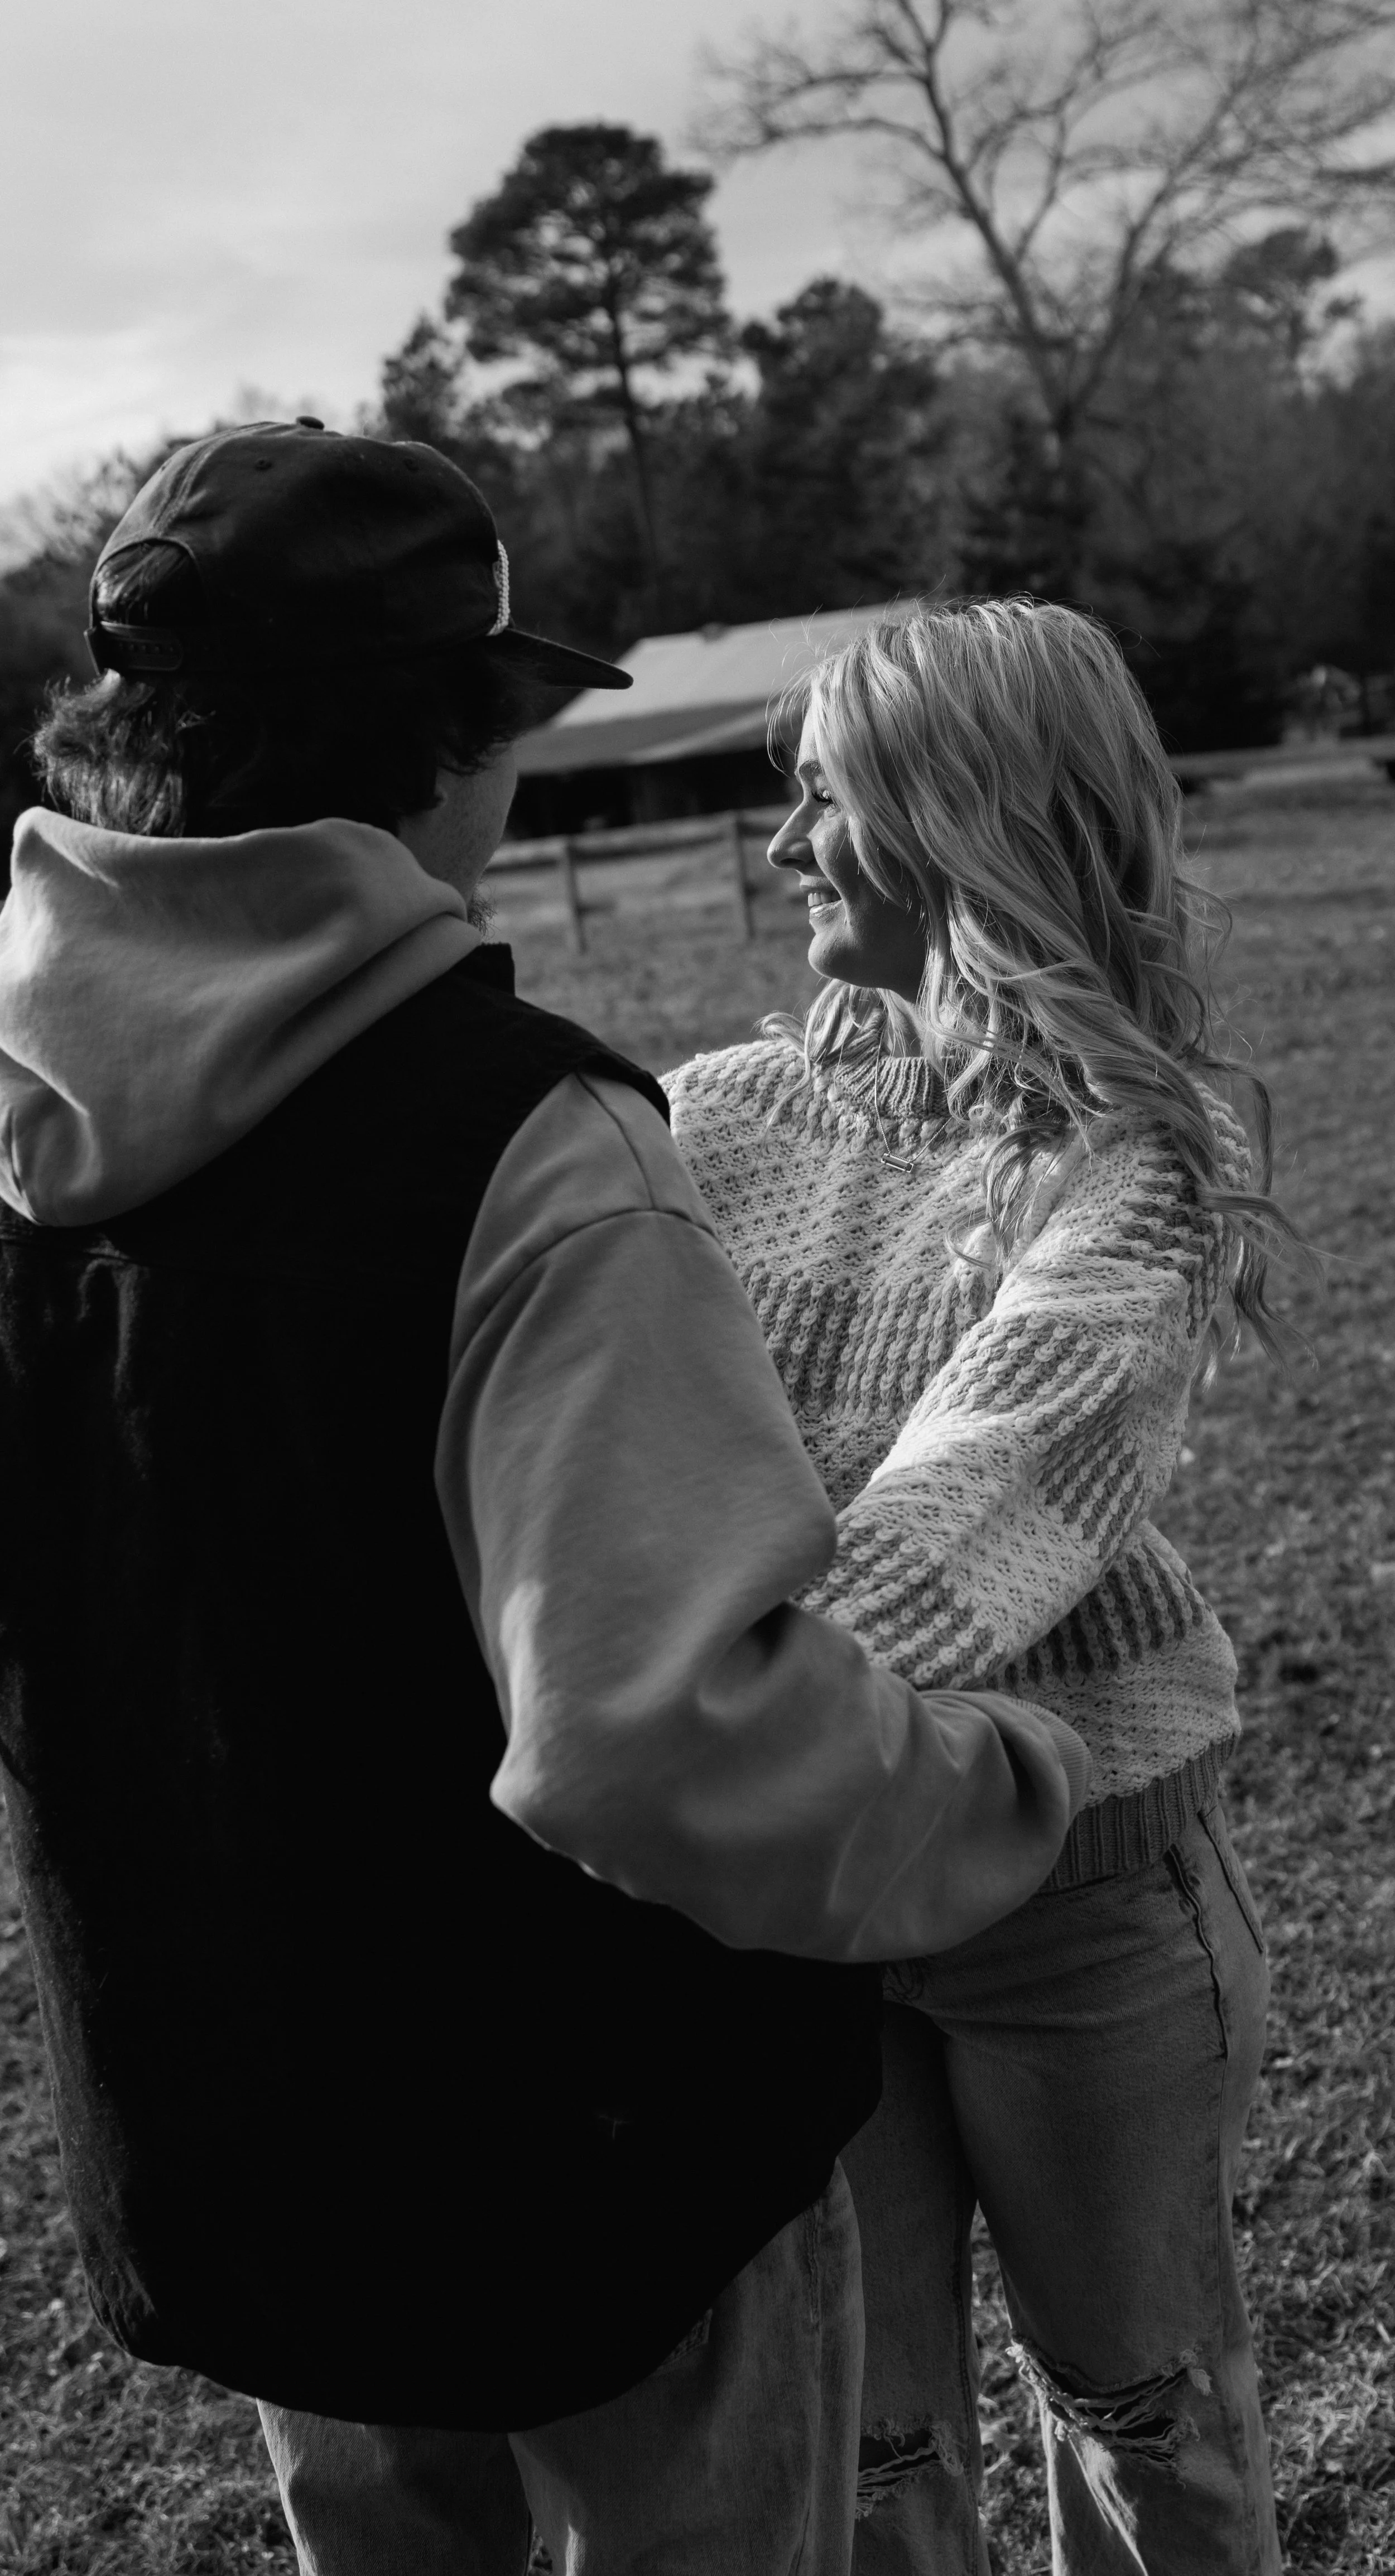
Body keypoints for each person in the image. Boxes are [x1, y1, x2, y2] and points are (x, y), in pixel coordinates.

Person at [0, 427, 1090, 2576]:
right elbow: (652, 1732)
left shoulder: (20, 1140)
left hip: (239, 2161)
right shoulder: (521, 1142)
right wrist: (992, 1790)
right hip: (593, 2178)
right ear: (442, 748)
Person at [666, 598, 1289, 2576]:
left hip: (1073, 1875)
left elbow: (998, 1470)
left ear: (960, 819)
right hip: (803, 1902)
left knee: (1143, 2410)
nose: (780, 852)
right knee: (862, 2442)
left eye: (821, 798)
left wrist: (697, 1739)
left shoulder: (1132, 1161)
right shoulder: (712, 1118)